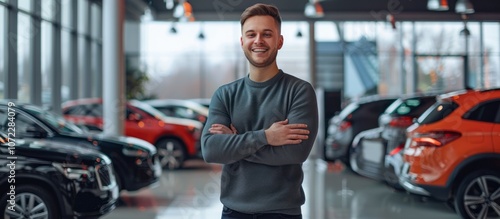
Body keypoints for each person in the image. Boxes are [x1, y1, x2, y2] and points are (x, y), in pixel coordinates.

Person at [201, 3, 318, 219]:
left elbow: (295, 152)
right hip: (233, 212)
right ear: (242, 41)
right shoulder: (224, 95)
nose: (258, 41)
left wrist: (235, 145)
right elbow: (211, 150)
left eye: (267, 34)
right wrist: (266, 137)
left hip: (282, 213)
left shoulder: (299, 91)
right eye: (251, 34)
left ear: (279, 41)